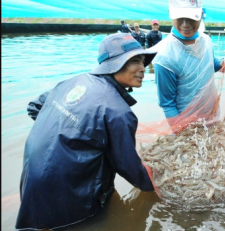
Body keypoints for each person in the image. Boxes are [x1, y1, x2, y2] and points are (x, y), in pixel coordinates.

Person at [15, 33, 157, 230]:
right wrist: (159, 186)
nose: (143, 68)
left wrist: (63, 134)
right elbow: (128, 167)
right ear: (113, 64)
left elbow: (35, 106)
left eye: (143, 61)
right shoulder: (118, 112)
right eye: (134, 61)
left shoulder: (74, 81)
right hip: (71, 193)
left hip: (31, 179)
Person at [152, 0, 225, 127]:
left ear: (201, 14)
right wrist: (181, 132)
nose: (186, 24)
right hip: (188, 125)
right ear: (170, 13)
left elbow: (208, 62)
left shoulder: (206, 40)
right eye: (180, 17)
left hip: (212, 116)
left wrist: (223, 62)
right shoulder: (164, 57)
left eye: (191, 18)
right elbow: (167, 104)